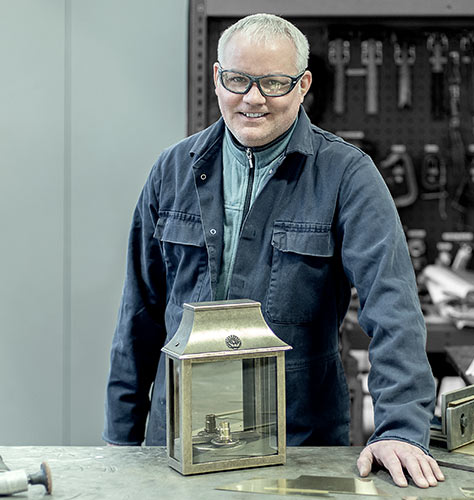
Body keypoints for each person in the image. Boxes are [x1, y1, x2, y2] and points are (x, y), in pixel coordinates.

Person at [103, 13, 445, 489]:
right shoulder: (172, 171)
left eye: (273, 83)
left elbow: (393, 308)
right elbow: (138, 316)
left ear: (303, 85)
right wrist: (120, 443)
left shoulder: (347, 176)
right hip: (176, 441)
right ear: (218, 78)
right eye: (239, 80)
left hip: (298, 445)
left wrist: (402, 430)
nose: (253, 99)